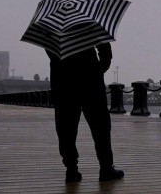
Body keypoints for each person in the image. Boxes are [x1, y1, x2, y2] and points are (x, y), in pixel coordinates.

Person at [48, 42, 124, 183]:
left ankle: (71, 169)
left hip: (62, 80)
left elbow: (51, 51)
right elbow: (104, 48)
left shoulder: (52, 27)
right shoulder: (88, 22)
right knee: (100, 125)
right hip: (90, 77)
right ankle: (106, 167)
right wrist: (99, 68)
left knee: (66, 128)